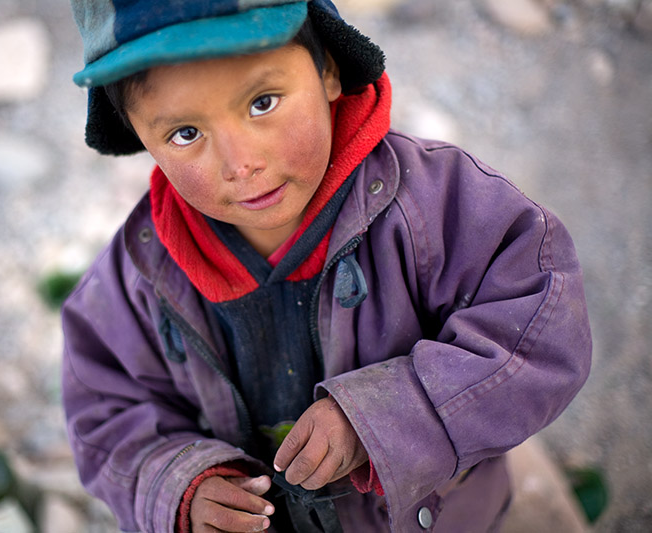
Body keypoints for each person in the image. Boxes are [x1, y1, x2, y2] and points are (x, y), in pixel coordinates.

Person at [61, 1, 592, 531]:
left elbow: (542, 324)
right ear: (138, 135)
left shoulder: (436, 206)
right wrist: (177, 486)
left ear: (329, 71)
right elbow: (105, 412)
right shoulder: (139, 275)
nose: (240, 162)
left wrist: (387, 421)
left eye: (263, 102)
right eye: (184, 134)